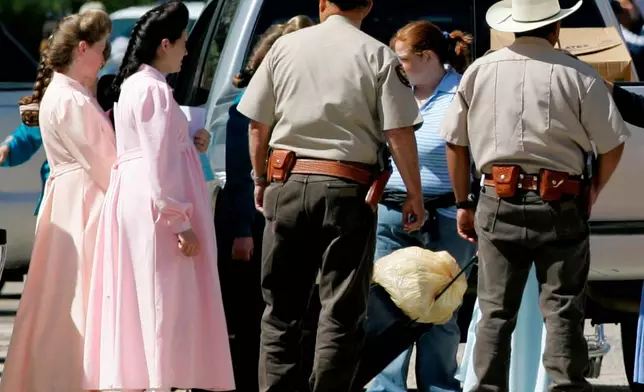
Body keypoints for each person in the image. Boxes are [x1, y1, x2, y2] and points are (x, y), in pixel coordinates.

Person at [440, 0, 630, 390]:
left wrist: (463, 202)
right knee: (561, 308)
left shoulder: (479, 71)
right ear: (556, 27)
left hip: (496, 197)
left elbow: (454, 143)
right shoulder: (579, 74)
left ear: (511, 28)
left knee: (495, 311)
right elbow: (613, 144)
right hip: (561, 200)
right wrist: (593, 188)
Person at [236, 0, 425, 390]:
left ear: (322, 3)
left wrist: (259, 178)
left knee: (280, 310)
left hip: (286, 182)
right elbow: (399, 132)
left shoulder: (285, 48)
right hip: (347, 190)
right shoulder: (378, 54)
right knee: (340, 311)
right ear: (370, 5)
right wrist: (414, 194)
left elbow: (257, 124)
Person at [82, 2, 234, 391]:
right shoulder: (152, 89)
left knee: (143, 295)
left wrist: (190, 140)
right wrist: (180, 221)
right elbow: (160, 164)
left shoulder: (135, 85)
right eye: (183, 43)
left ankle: (150, 376)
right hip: (156, 208)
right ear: (164, 44)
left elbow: (157, 147)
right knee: (164, 298)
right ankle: (161, 378)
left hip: (137, 198)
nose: (187, 51)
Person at [192, 15, 315, 392]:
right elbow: (242, 173)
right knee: (250, 313)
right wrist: (243, 231)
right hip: (249, 221)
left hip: (263, 216)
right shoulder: (251, 105)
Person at [0, 9, 115, 392]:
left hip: (64, 203)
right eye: (101, 49)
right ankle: (72, 379)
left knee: (54, 301)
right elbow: (107, 163)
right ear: (82, 49)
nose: (105, 58)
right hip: (83, 206)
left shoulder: (60, 94)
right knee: (77, 300)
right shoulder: (74, 100)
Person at [366, 21, 476, 392]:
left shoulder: (462, 93)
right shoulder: (395, 91)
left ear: (428, 57)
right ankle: (386, 387)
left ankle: (439, 385)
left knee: (442, 311)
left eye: (402, 61)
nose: (396, 69)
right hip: (391, 213)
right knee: (385, 304)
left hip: (445, 217)